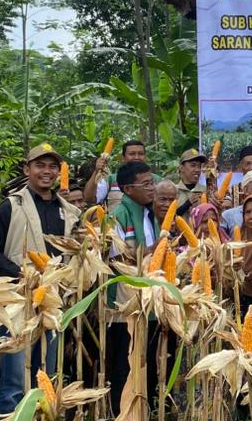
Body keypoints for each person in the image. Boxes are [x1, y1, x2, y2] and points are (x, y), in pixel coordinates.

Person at [0, 143, 81, 414]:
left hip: (53, 302)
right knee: (15, 378)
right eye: (40, 165)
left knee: (46, 377)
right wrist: (21, 274)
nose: (47, 172)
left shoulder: (70, 212)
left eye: (52, 166)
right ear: (27, 170)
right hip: (18, 302)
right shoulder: (9, 207)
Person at [108, 161, 157, 416]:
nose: (152, 188)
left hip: (148, 303)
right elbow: (118, 259)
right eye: (146, 184)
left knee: (145, 366)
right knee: (124, 369)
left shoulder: (148, 213)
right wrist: (156, 249)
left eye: (152, 182)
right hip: (125, 306)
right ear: (127, 188)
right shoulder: (120, 214)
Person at [86, 139, 150, 207]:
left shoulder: (156, 180)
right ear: (123, 158)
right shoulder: (110, 179)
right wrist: (96, 171)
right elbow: (89, 199)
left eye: (140, 154)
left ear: (145, 157)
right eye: (132, 154)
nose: (137, 157)